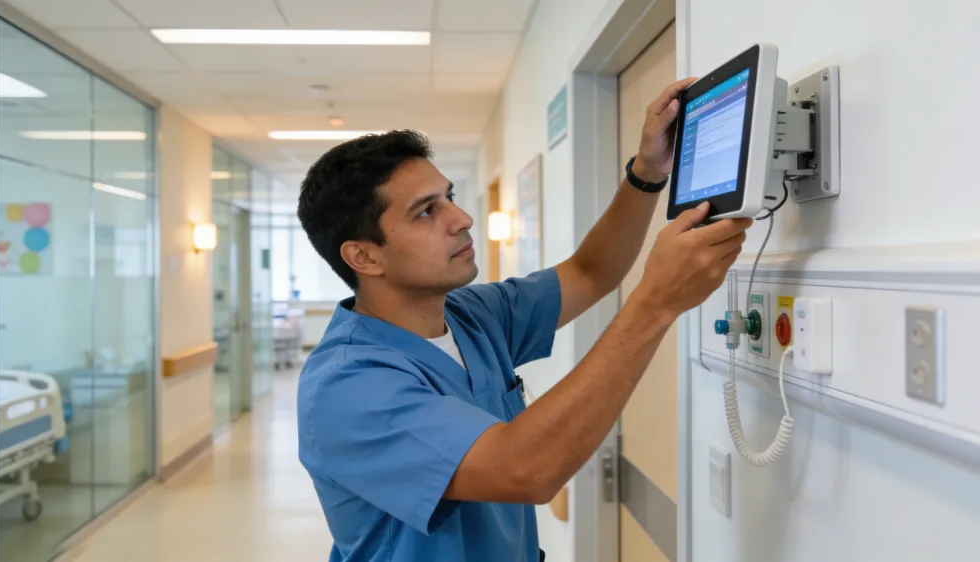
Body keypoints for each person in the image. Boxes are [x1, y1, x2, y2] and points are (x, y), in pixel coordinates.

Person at [295, 78, 752, 562]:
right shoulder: (347, 384)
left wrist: (646, 173)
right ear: (364, 257)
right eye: (427, 212)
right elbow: (527, 469)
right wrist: (656, 303)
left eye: (447, 196)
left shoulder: (473, 315)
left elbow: (590, 271)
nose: (462, 218)